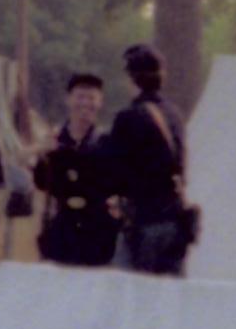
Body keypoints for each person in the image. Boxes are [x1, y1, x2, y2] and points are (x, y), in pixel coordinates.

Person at [103, 43, 193, 276]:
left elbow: (114, 175)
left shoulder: (128, 117)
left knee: (132, 296)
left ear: (131, 78)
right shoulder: (174, 115)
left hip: (144, 222)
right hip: (174, 221)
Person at [32, 71, 121, 268]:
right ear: (68, 100)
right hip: (62, 228)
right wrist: (44, 155)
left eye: (91, 98)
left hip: (97, 230)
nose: (85, 103)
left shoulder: (106, 142)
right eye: (80, 96)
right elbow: (40, 182)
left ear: (100, 102)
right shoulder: (54, 139)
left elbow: (117, 184)